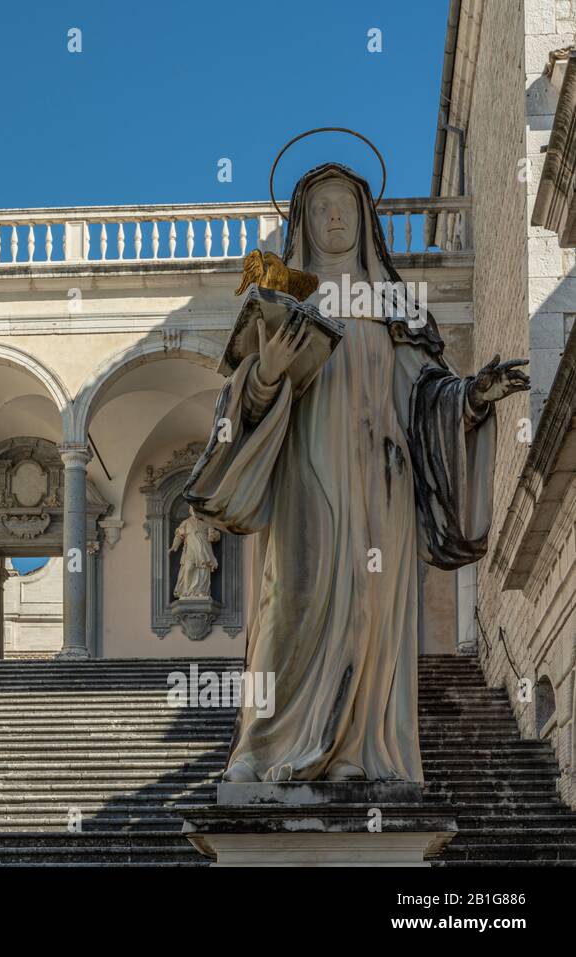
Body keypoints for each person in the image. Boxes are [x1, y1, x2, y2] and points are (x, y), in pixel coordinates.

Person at [185, 163, 527, 784]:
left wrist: (473, 398)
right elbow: (237, 410)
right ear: (302, 225)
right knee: (290, 601)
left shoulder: (396, 305)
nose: (335, 218)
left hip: (381, 483)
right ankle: (261, 752)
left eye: (345, 206)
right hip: (304, 480)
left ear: (366, 222)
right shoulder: (287, 301)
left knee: (369, 613)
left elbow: (426, 397)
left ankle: (359, 754)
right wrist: (267, 373)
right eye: (321, 209)